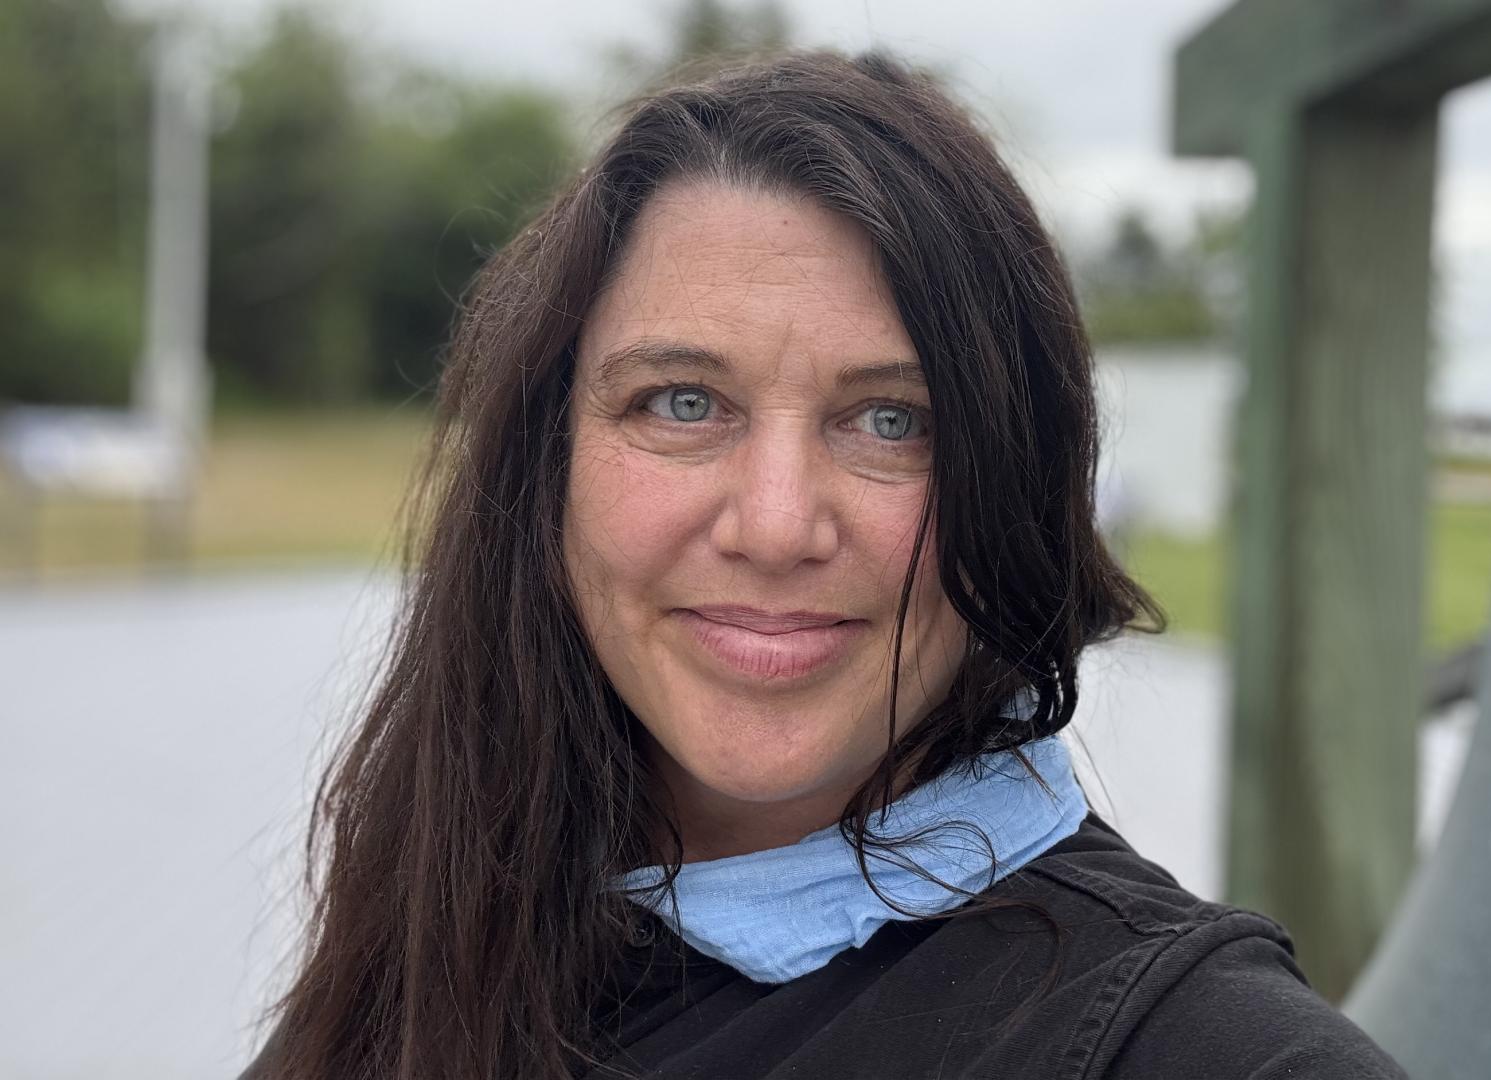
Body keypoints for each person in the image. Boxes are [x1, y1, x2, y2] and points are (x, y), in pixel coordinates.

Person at [240, 49, 1406, 1080]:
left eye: (892, 421)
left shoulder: (1198, 1049)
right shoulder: (440, 935)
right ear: (547, 471)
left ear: (1013, 479)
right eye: (683, 402)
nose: (779, 523)